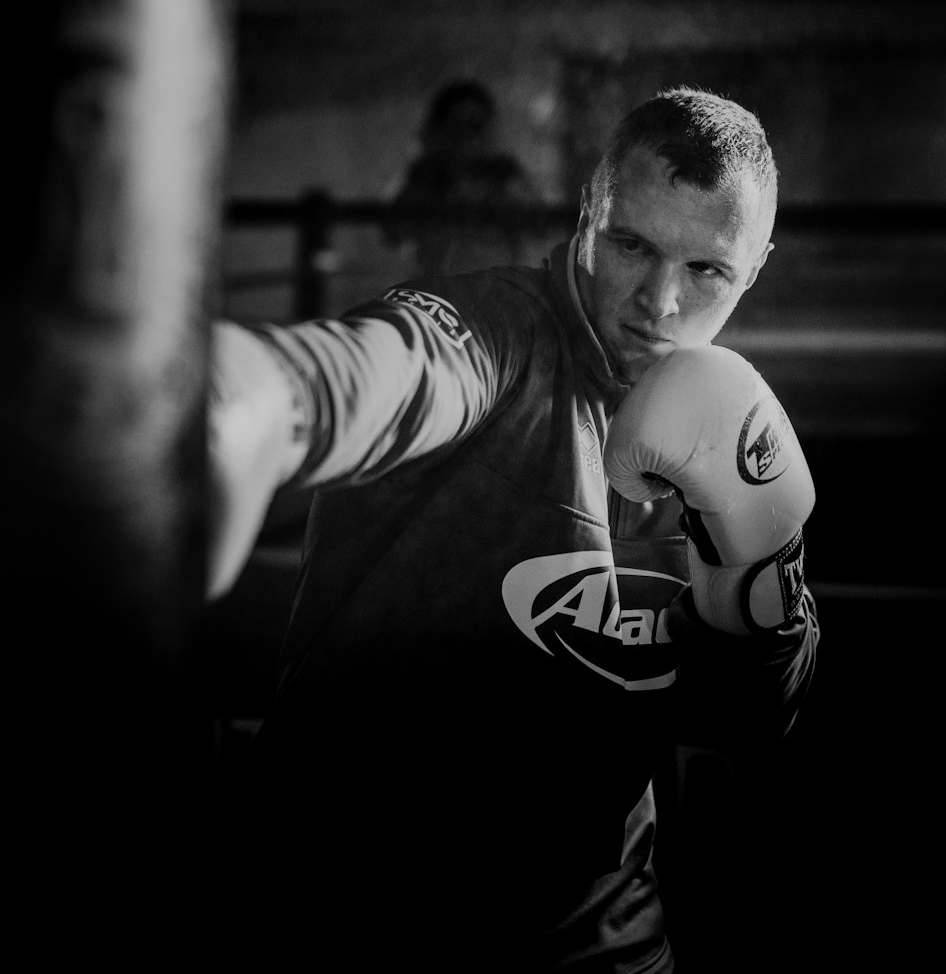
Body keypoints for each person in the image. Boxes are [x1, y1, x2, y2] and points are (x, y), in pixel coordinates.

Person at [208, 86, 819, 973]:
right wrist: (264, 401)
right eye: (633, 245)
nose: (660, 301)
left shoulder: (732, 432)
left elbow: (761, 717)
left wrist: (760, 573)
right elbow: (400, 368)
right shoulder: (498, 336)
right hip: (348, 914)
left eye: (707, 272)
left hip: (591, 938)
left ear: (755, 266)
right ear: (587, 214)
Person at [385, 78, 540, 273]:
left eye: (475, 125)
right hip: (439, 291)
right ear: (440, 129)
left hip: (496, 288)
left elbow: (540, 226)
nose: (467, 137)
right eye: (456, 128)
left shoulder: (505, 175)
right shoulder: (425, 176)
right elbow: (393, 231)